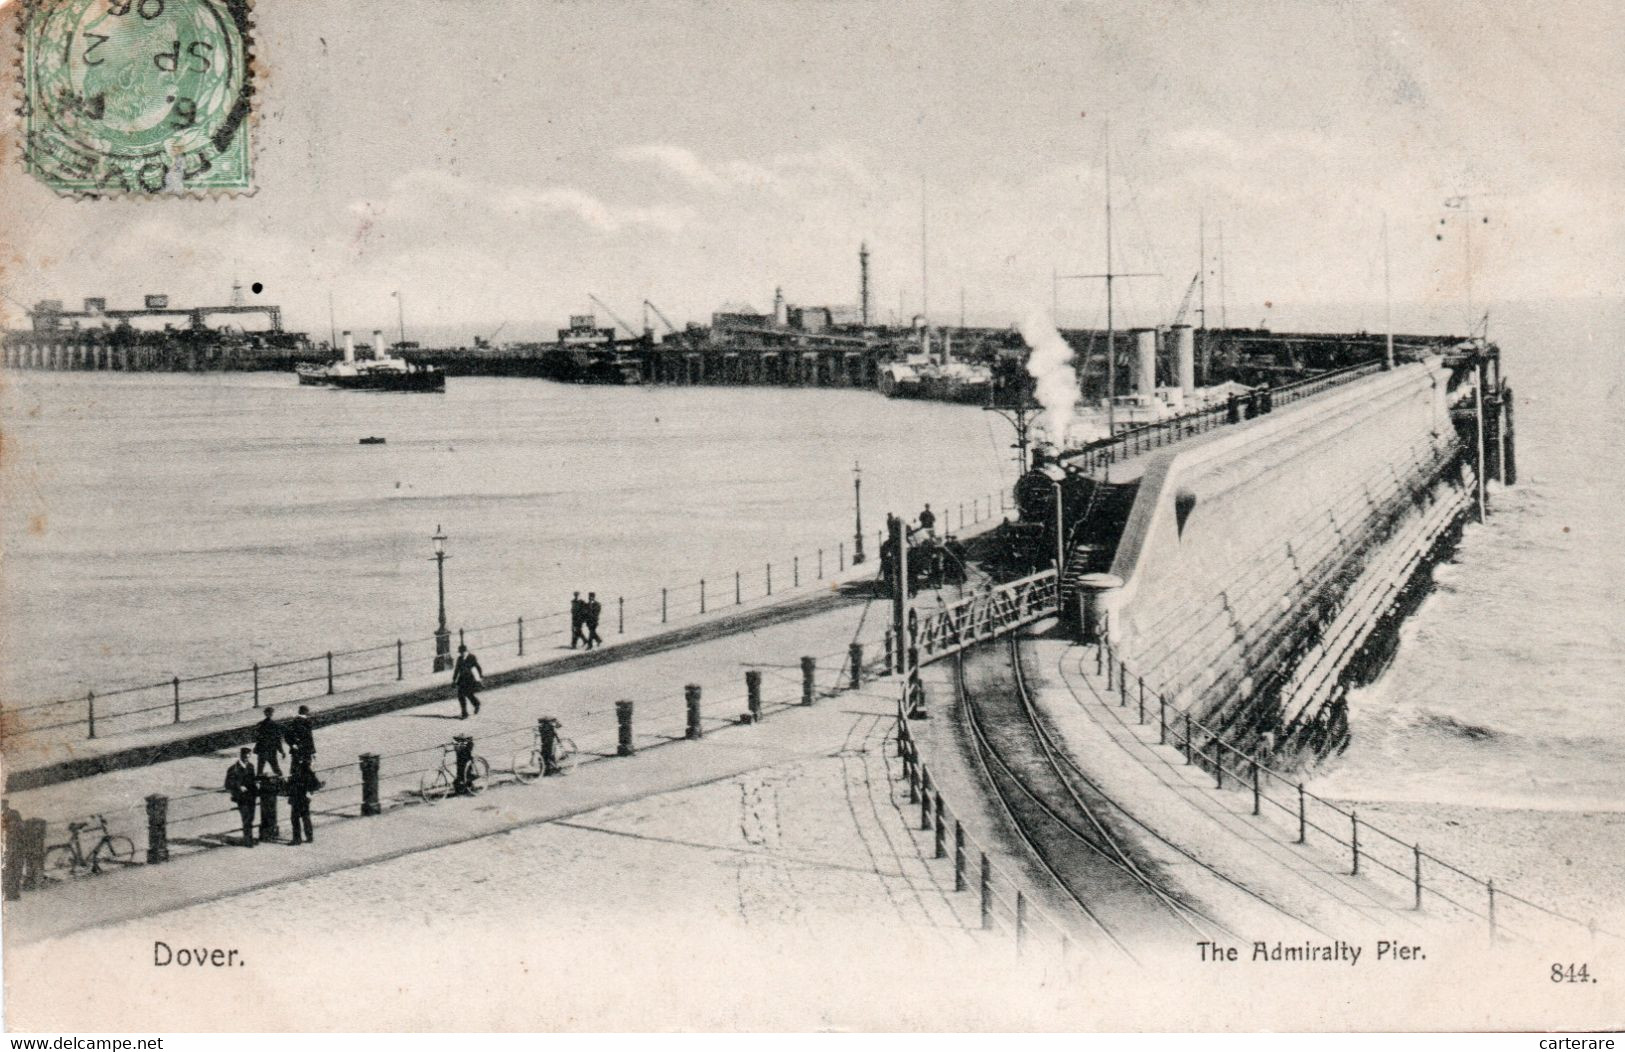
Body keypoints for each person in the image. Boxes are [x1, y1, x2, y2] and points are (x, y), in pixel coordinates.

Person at [224, 748, 258, 847]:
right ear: (241, 756)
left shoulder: (251, 766)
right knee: (246, 818)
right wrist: (238, 786)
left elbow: (252, 779)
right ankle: (248, 840)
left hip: (251, 796)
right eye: (245, 756)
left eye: (249, 756)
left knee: (251, 817)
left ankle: (249, 838)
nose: (247, 758)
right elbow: (227, 783)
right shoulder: (233, 768)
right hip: (241, 797)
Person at [286, 762, 319, 845]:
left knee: (295, 819)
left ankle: (297, 839)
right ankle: (309, 837)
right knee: (306, 817)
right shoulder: (309, 774)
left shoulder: (296, 774)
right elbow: (316, 785)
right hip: (305, 799)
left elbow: (288, 787)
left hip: (297, 799)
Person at [452, 644, 482, 718]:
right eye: (460, 653)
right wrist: (454, 680)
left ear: (466, 651)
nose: (461, 654)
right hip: (462, 680)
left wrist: (480, 677)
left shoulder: (471, 657)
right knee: (460, 696)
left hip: (470, 679)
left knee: (469, 694)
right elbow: (457, 670)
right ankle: (464, 712)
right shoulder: (459, 659)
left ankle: (476, 704)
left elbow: (477, 667)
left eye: (463, 652)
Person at [253, 708, 285, 776]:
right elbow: (277, 740)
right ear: (272, 714)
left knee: (260, 769)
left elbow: (256, 737)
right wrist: (281, 751)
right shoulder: (275, 725)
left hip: (262, 750)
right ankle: (281, 782)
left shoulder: (260, 725)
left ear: (265, 714)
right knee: (276, 768)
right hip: (271, 750)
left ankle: (259, 782)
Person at [286, 705, 316, 771]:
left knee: (295, 767)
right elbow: (309, 738)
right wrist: (313, 751)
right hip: (305, 749)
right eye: (307, 711)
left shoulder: (294, 721)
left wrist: (292, 745)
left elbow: (287, 735)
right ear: (305, 712)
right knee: (306, 767)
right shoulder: (306, 722)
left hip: (297, 749)